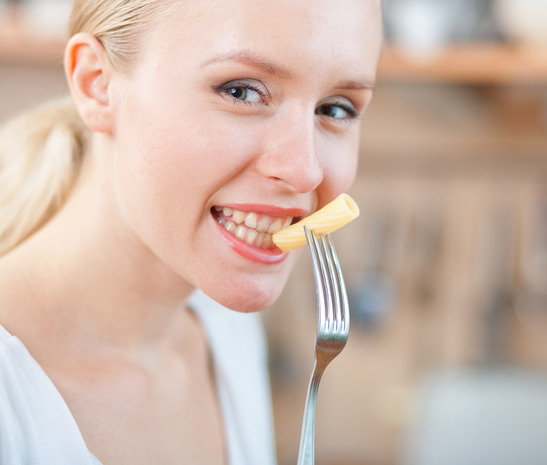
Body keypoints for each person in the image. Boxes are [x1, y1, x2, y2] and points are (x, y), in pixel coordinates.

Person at [0, 0, 383, 463]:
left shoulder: (228, 336)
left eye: (335, 108)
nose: (305, 171)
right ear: (97, 85)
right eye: (241, 91)